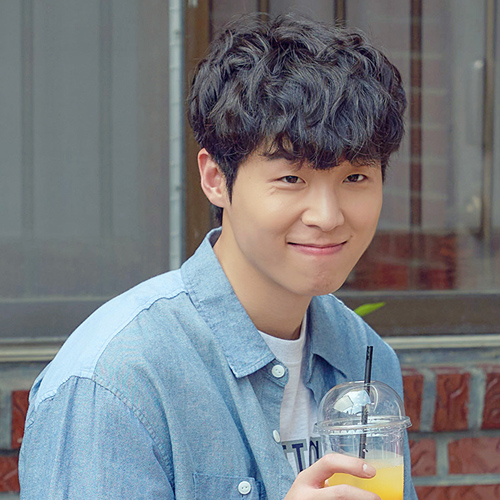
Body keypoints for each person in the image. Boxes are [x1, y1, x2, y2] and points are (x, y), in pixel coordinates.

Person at [19, 13, 417, 500]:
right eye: (291, 178)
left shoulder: (365, 357)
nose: (328, 216)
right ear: (215, 179)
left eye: (355, 178)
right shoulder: (116, 380)